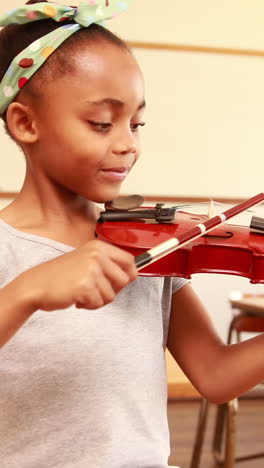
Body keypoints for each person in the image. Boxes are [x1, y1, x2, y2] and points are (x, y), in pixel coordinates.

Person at [0, 1, 263, 467]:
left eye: (136, 123)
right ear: (26, 123)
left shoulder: (150, 246)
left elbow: (216, 375)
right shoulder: (7, 248)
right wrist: (28, 291)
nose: (128, 143)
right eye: (101, 123)